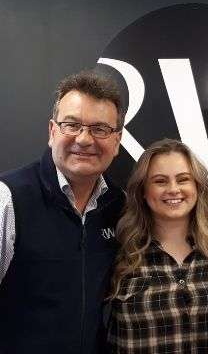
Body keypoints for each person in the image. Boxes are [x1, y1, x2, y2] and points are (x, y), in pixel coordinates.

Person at [0, 70, 126, 354]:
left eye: (100, 129)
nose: (84, 139)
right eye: (72, 125)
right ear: (52, 131)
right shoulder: (8, 198)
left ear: (116, 141)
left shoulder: (119, 206)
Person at [107, 138, 208, 353]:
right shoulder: (119, 250)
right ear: (143, 191)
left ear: (197, 186)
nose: (173, 189)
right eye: (160, 181)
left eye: (183, 179)